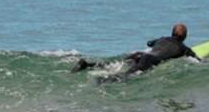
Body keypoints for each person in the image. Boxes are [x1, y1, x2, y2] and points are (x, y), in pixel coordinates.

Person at [71, 24, 200, 82]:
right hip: (149, 60)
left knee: (113, 65)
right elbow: (196, 59)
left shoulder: (163, 39)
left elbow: (149, 43)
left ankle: (86, 64)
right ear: (185, 36)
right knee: (129, 75)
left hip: (140, 54)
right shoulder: (183, 48)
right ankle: (104, 80)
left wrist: (159, 41)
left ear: (172, 33)